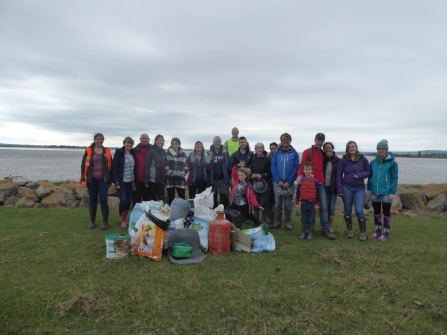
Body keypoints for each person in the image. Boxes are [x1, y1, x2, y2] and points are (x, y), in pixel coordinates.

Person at [297, 133, 336, 240]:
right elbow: (302, 165)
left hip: (321, 183)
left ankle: (326, 230)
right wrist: (300, 176)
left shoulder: (322, 153)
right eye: (318, 140)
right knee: (307, 206)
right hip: (310, 183)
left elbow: (331, 157)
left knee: (323, 207)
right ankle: (307, 228)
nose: (320, 142)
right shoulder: (308, 152)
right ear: (315, 140)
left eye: (321, 140)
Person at [336, 141, 371, 241]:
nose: (351, 148)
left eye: (353, 147)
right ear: (347, 149)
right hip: (347, 187)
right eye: (349, 147)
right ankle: (349, 230)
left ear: (356, 148)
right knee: (347, 210)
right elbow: (339, 175)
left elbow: (369, 172)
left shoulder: (363, 159)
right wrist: (340, 189)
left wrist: (360, 175)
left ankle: (363, 233)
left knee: (359, 210)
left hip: (359, 188)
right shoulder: (343, 160)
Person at [367, 139, 398, 242]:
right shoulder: (373, 163)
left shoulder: (392, 163)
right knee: (376, 212)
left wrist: (392, 192)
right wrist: (369, 189)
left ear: (386, 150)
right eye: (379, 148)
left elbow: (394, 178)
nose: (381, 150)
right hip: (375, 192)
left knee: (386, 212)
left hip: (386, 192)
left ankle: (386, 233)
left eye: (383, 148)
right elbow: (370, 177)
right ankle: (377, 231)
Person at [80, 133, 113, 230]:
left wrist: (111, 180)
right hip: (91, 180)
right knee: (92, 200)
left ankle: (105, 223)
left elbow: (111, 166)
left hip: (103, 180)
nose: (99, 141)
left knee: (103, 200)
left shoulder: (107, 151)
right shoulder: (88, 150)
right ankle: (92, 222)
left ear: (103, 140)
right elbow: (83, 165)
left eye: (101, 139)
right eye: (98, 139)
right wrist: (83, 179)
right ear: (94, 140)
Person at [270, 133, 300, 230]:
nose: (285, 141)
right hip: (278, 182)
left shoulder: (294, 153)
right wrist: (278, 180)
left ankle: (288, 223)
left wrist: (289, 181)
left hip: (289, 183)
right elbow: (273, 167)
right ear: (281, 141)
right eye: (283, 140)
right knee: (278, 203)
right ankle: (277, 221)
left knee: (287, 203)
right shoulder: (277, 153)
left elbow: (296, 168)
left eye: (287, 139)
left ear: (290, 140)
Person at [112, 136, 137, 228]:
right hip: (121, 181)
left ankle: (123, 218)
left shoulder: (133, 153)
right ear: (124, 143)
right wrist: (116, 182)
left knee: (128, 201)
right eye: (127, 143)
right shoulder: (119, 152)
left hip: (130, 181)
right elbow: (114, 168)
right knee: (123, 200)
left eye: (131, 143)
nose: (129, 144)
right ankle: (122, 220)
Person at [296, 161, 319, 240]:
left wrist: (317, 204)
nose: (308, 171)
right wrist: (297, 201)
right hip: (304, 202)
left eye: (309, 169)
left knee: (311, 218)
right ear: (303, 170)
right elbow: (298, 192)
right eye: (306, 169)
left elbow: (318, 193)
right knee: (304, 218)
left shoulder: (315, 180)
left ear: (312, 170)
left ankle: (310, 233)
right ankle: (303, 233)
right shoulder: (301, 181)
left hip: (312, 202)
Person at [251, 142, 272, 224]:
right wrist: (253, 174)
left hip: (265, 184)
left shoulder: (267, 159)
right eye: (257, 148)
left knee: (264, 202)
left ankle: (263, 220)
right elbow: (251, 170)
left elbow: (270, 172)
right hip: (256, 183)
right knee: (255, 202)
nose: (259, 149)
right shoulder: (253, 159)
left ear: (263, 149)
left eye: (261, 148)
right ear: (255, 149)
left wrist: (262, 175)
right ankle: (256, 220)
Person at [207, 136, 230, 208]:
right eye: (216, 141)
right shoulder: (209, 153)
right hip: (213, 179)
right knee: (213, 197)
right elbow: (206, 165)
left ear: (221, 143)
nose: (217, 143)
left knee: (224, 197)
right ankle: (214, 215)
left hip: (223, 178)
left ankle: (225, 213)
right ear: (213, 142)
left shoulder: (225, 152)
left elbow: (229, 164)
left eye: (219, 141)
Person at [144, 134, 168, 202]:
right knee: (152, 200)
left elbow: (166, 164)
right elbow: (147, 165)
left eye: (161, 140)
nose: (159, 141)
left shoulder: (164, 152)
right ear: (155, 141)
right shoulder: (151, 151)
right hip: (152, 180)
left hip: (161, 181)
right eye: (158, 140)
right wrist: (146, 181)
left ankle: (160, 213)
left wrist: (167, 167)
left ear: (163, 142)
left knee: (161, 200)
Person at [323, 142, 341, 232]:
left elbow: (340, 175)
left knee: (332, 206)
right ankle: (325, 225)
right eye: (326, 148)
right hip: (323, 186)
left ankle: (330, 226)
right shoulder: (322, 159)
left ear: (332, 149)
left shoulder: (337, 160)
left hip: (333, 187)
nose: (328, 150)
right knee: (324, 206)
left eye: (329, 148)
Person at [166, 137, 189, 204]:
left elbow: (186, 167)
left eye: (176, 144)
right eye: (173, 144)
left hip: (180, 180)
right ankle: (170, 213)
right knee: (171, 199)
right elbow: (165, 165)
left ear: (179, 145)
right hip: (170, 180)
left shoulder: (183, 155)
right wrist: (170, 173)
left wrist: (182, 174)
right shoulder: (167, 154)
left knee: (182, 199)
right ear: (171, 145)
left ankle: (182, 213)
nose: (175, 145)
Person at [133, 133, 151, 205]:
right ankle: (135, 216)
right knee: (136, 201)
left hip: (149, 180)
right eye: (142, 138)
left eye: (145, 138)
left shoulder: (152, 149)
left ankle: (146, 216)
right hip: (138, 180)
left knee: (147, 201)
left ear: (149, 139)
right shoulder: (134, 150)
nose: (144, 140)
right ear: (140, 139)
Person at [266, 142, 278, 224]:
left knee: (276, 201)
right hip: (269, 181)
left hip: (277, 181)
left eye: (274, 149)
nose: (273, 150)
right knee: (269, 200)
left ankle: (277, 218)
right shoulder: (267, 157)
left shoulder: (279, 156)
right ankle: (270, 217)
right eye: (271, 149)